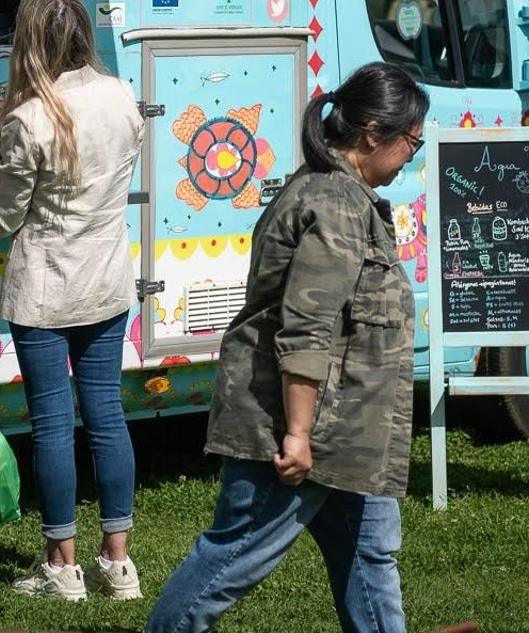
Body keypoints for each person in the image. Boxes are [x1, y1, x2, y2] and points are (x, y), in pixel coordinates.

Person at [143, 62, 429, 633]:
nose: (411, 156)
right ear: (372, 133)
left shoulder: (344, 196)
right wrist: (297, 435)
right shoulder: (334, 206)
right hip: (303, 430)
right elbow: (307, 327)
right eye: (410, 141)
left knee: (370, 559)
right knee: (231, 558)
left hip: (351, 435)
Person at [0, 0, 145, 603]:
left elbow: (3, 219)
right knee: (108, 416)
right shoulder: (121, 96)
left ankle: (61, 567)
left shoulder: (28, 118)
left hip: (45, 289)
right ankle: (119, 563)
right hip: (108, 281)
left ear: (27, 44)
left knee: (55, 426)